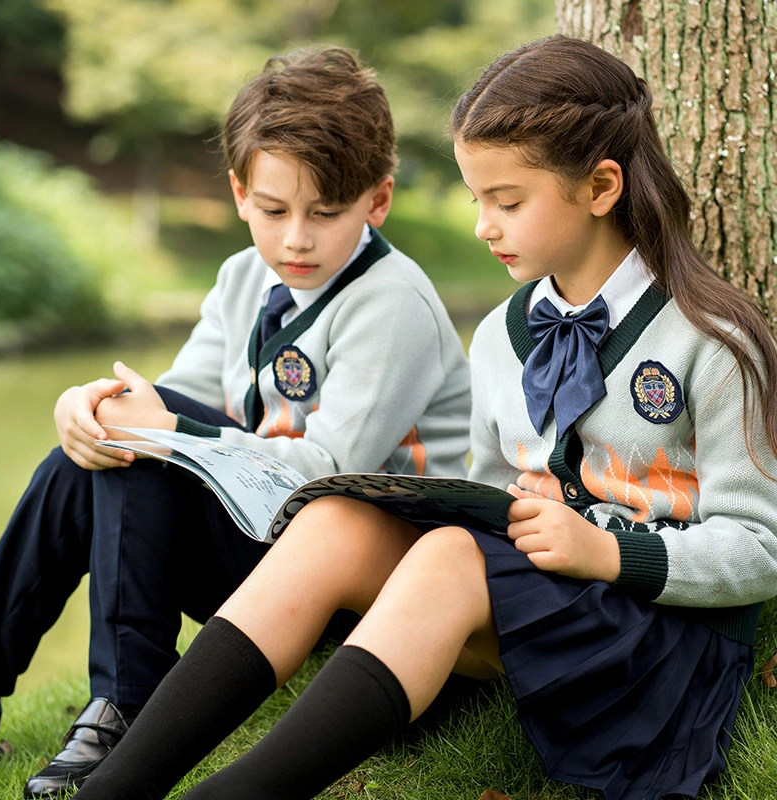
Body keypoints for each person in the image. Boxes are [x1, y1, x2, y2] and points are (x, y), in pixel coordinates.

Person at [69, 34, 777, 800]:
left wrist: (606, 553)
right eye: (477, 201)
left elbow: (761, 545)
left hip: (659, 634)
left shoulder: (713, 340)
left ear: (601, 187)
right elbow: (494, 497)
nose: (483, 227)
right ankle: (118, 788)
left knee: (446, 557)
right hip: (546, 608)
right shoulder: (505, 336)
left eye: (507, 202)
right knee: (335, 520)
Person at [0, 45, 472, 798]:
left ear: (377, 201)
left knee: (151, 438)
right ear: (240, 193)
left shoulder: (391, 302)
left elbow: (327, 469)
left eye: (325, 213)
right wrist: (85, 407)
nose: (296, 239)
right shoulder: (244, 277)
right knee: (93, 455)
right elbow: (172, 394)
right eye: (274, 211)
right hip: (264, 554)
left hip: (367, 596)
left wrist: (163, 427)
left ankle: (128, 702)